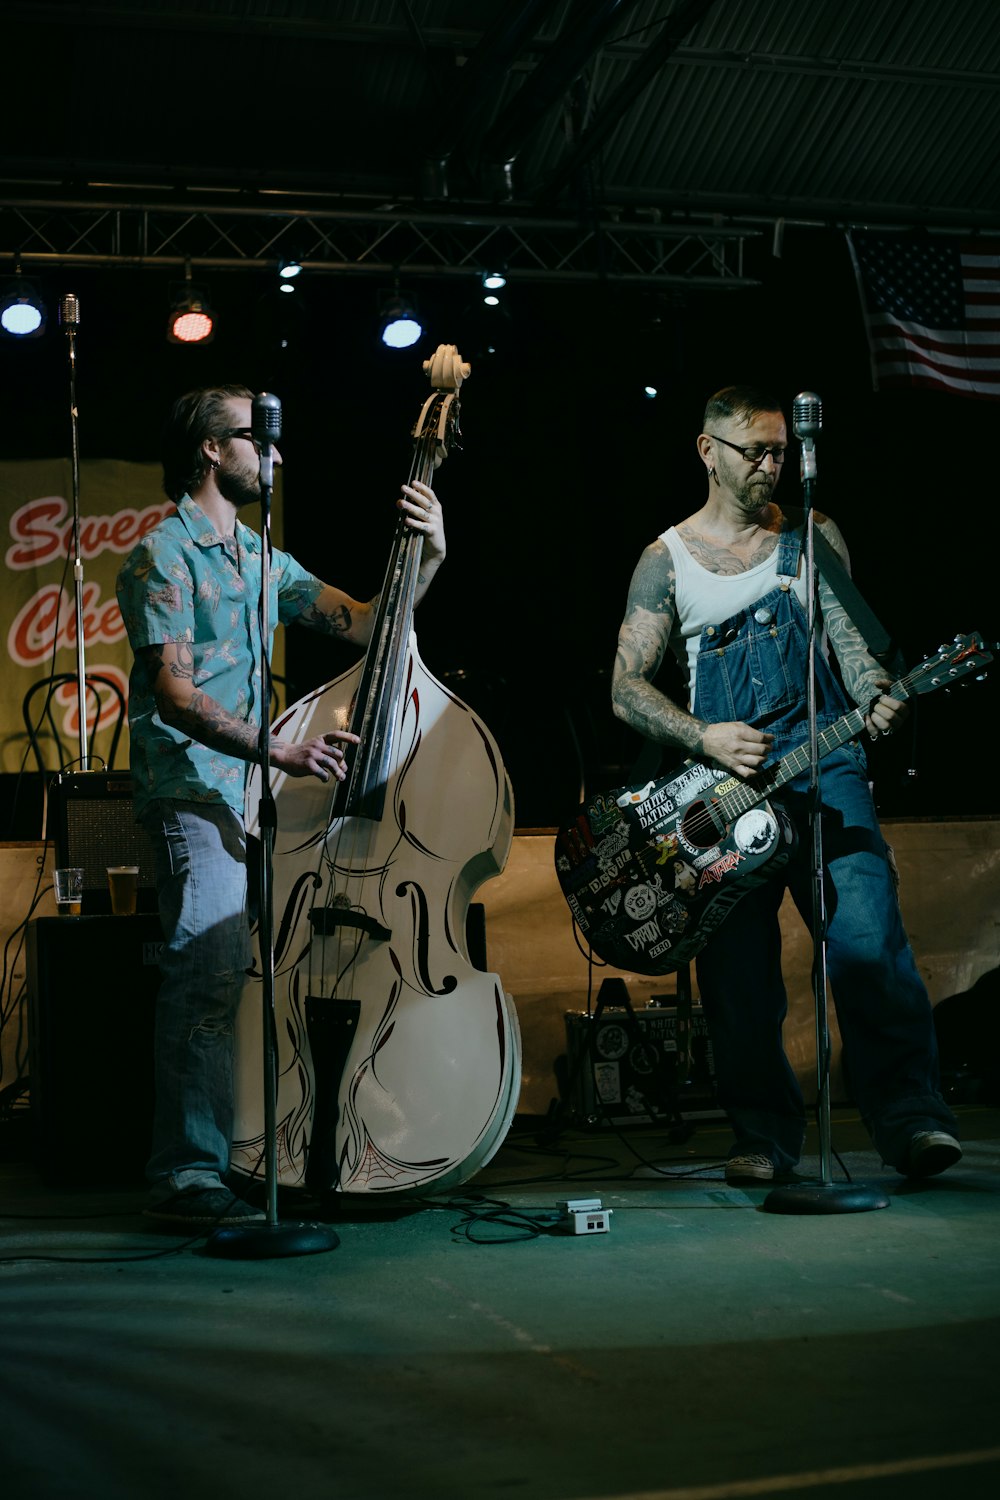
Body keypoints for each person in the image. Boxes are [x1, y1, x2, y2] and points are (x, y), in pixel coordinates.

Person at [610, 384, 961, 1186]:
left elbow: (850, 644)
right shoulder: (665, 560)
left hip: (828, 764)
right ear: (708, 451)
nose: (774, 464)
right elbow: (625, 687)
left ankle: (910, 1121)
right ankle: (762, 1137)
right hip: (724, 785)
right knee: (740, 977)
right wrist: (702, 734)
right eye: (756, 451)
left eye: (782, 450)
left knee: (871, 945)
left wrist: (877, 697)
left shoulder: (814, 535)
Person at [116, 383, 446, 1226]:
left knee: (246, 975)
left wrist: (432, 552)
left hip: (250, 793)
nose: (274, 454)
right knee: (208, 969)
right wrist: (284, 748)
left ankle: (254, 1152)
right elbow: (178, 695)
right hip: (193, 789)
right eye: (254, 438)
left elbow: (374, 625)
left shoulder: (264, 560)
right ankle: (186, 1174)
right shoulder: (165, 554)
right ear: (209, 451)